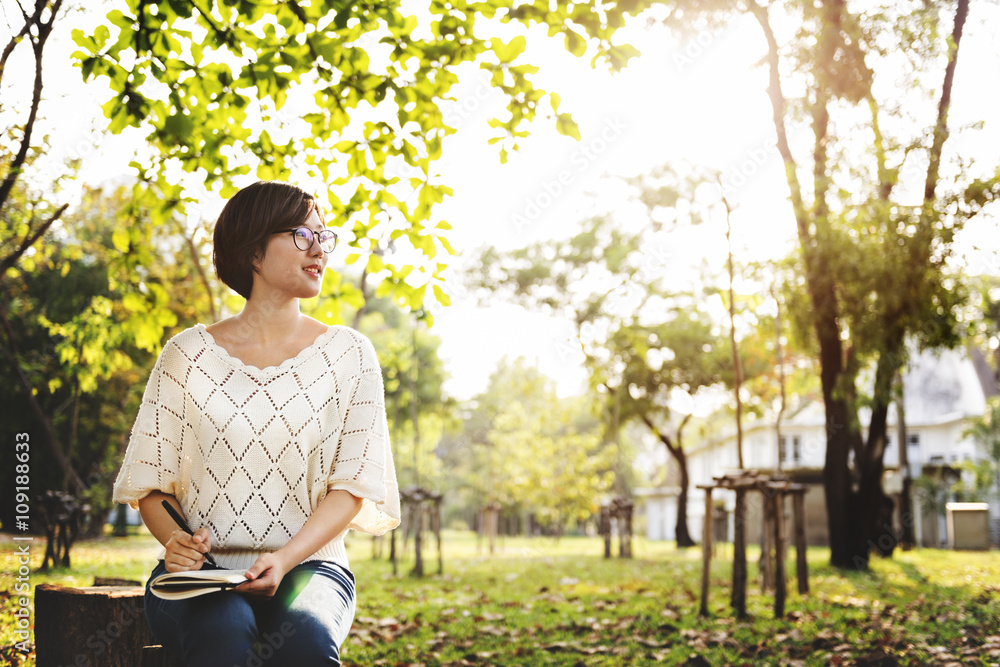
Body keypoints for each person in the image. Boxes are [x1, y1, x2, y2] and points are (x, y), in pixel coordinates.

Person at [112, 180, 400, 666]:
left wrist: (284, 559)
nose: (319, 248)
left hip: (312, 569)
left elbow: (352, 487)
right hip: (201, 577)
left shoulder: (350, 354)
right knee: (223, 633)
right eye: (302, 235)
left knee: (303, 640)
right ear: (254, 253)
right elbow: (150, 486)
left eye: (323, 236)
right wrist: (176, 543)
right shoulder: (186, 355)